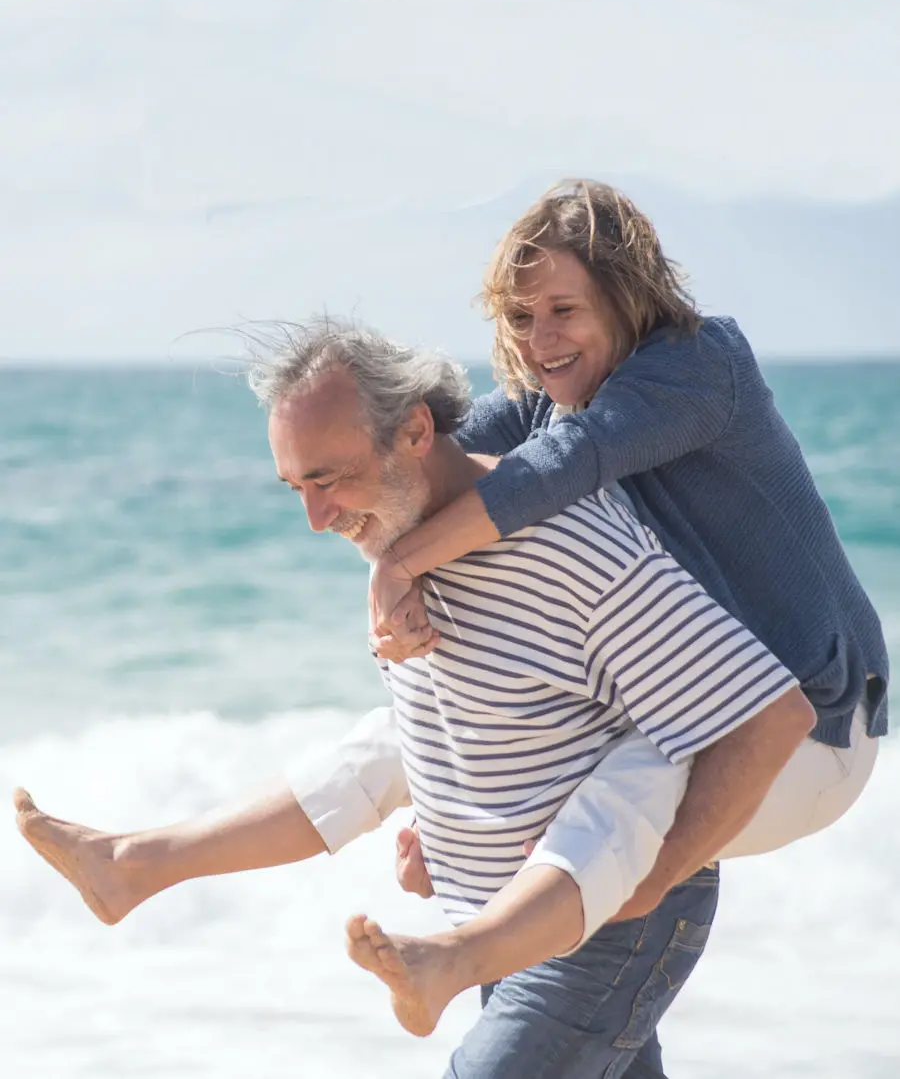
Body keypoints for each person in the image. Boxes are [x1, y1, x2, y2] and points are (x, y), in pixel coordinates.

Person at [19, 321, 827, 1078]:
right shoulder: (399, 556)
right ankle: (140, 862)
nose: (314, 517)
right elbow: (473, 743)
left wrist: (655, 881)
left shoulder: (570, 541)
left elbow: (771, 715)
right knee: (382, 741)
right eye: (296, 486)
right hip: (506, 922)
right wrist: (444, 845)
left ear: (414, 432)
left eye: (329, 479)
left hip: (613, 922)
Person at [368, 178, 888, 907]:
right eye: (521, 316)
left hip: (812, 732)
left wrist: (401, 562)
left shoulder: (702, 362)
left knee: (581, 819)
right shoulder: (549, 396)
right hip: (694, 715)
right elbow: (430, 469)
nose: (540, 339)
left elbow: (565, 461)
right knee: (381, 743)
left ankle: (521, 899)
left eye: (562, 310)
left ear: (622, 296)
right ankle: (164, 856)